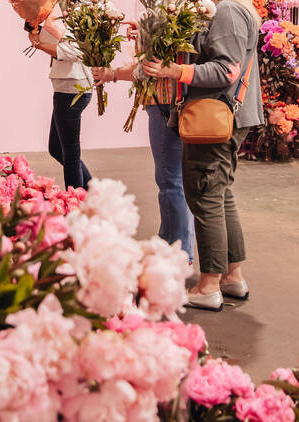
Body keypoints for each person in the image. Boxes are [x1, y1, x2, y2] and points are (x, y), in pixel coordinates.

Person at [137, 0, 264, 310]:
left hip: (215, 115)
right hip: (221, 115)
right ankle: (231, 277)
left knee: (205, 194)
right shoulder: (230, 10)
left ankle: (208, 285)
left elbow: (226, 69)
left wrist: (175, 70)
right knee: (219, 194)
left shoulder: (227, 12)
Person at [91, 24, 196, 263]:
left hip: (164, 103)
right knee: (175, 180)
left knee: (171, 180)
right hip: (174, 103)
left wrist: (112, 74)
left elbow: (147, 69)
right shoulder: (175, 17)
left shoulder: (167, 16)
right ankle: (171, 244)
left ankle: (179, 253)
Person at [28, 6, 94, 190]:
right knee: (57, 148)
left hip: (72, 86)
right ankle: (92, 191)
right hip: (66, 86)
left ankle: (75, 206)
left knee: (70, 154)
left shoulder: (84, 12)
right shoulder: (65, 10)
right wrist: (33, 27)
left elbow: (73, 51)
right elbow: (58, 38)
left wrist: (39, 45)